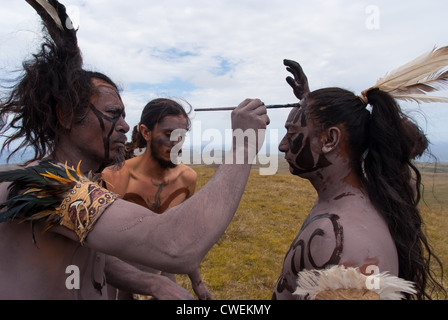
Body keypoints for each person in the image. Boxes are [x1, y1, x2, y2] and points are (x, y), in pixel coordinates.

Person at [0, 0, 269, 299]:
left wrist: (153, 283)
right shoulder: (49, 186)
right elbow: (176, 245)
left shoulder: (83, 183)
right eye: (114, 113)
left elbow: (95, 252)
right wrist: (244, 145)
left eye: (125, 115)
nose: (126, 126)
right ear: (65, 115)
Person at [273, 57, 447, 300]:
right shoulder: (360, 197)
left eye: (290, 134)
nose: (282, 146)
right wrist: (309, 103)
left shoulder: (342, 244)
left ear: (330, 140)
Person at [102, 98, 212, 300]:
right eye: (169, 135)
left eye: (182, 136)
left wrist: (197, 283)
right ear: (146, 132)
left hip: (165, 272)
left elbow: (181, 234)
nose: (177, 143)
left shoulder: (187, 179)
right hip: (119, 279)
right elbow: (101, 246)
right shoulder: (115, 177)